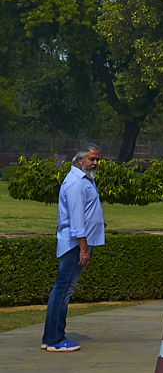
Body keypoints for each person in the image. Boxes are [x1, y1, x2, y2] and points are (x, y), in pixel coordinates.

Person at [43, 142, 106, 352]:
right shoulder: (76, 183)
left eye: (96, 159)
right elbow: (77, 219)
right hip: (74, 244)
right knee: (64, 289)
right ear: (80, 160)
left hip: (76, 243)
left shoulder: (83, 180)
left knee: (63, 288)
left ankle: (51, 337)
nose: (95, 162)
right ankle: (55, 339)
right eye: (91, 159)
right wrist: (83, 248)